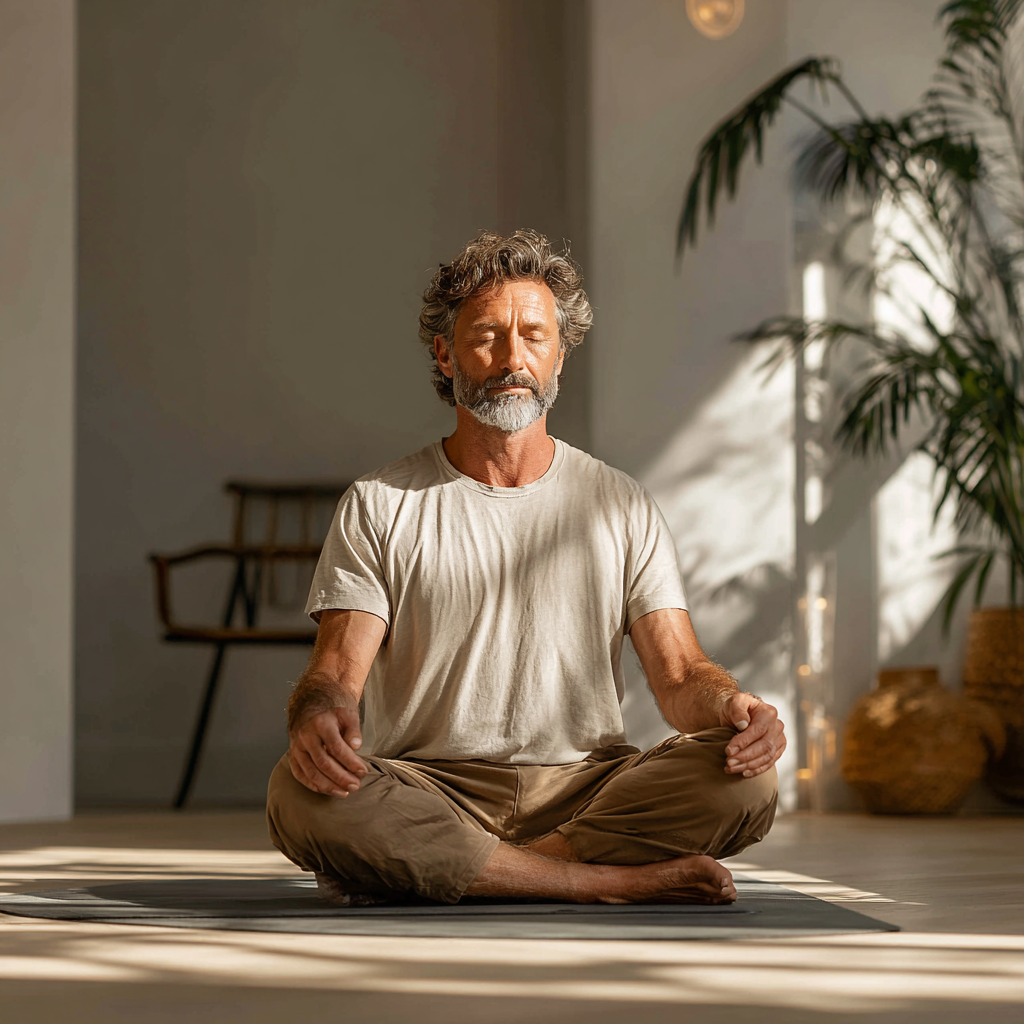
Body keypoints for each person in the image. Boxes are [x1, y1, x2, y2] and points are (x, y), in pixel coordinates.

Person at [266, 230, 785, 906]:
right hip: (431, 789)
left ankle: (458, 870)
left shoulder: (621, 502)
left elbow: (682, 675)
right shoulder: (380, 502)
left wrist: (734, 706)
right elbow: (336, 675)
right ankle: (597, 880)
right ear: (445, 354)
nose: (513, 359)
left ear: (560, 356)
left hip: (588, 790)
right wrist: (318, 716)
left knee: (748, 778)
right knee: (298, 792)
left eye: (535, 337)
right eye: (487, 336)